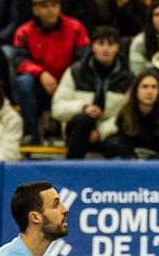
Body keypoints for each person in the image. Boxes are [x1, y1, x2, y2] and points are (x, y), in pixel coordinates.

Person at [12, 0, 91, 143]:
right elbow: (19, 61)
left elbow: (84, 59)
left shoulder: (75, 27)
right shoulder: (24, 31)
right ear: (35, 9)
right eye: (44, 6)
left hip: (69, 84)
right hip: (39, 84)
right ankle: (32, 133)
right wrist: (41, 73)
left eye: (54, 5)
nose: (50, 10)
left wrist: (67, 80)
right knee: (23, 82)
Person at [50, 26, 133, 160]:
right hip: (77, 131)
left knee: (121, 143)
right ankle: (72, 172)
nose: (105, 49)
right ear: (93, 46)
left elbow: (127, 115)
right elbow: (57, 108)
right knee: (84, 120)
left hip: (108, 133)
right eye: (100, 44)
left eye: (110, 44)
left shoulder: (128, 77)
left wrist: (100, 132)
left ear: (117, 47)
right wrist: (82, 107)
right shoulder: (75, 71)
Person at [105, 71, 159, 159]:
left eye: (154, 87)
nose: (149, 91)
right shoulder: (125, 114)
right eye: (145, 87)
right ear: (136, 90)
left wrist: (150, 165)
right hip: (132, 161)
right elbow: (125, 147)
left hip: (157, 163)